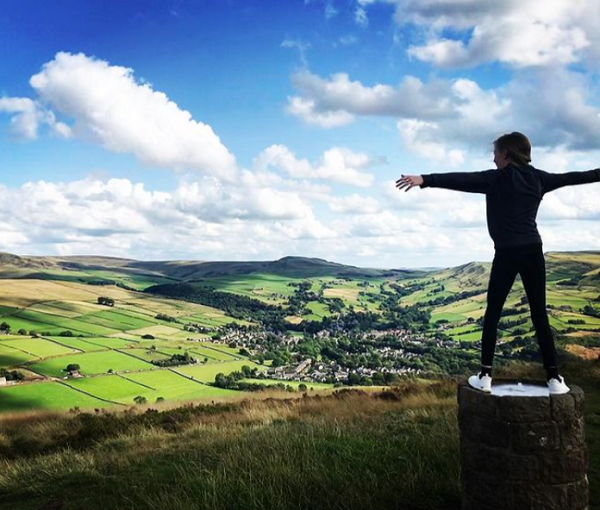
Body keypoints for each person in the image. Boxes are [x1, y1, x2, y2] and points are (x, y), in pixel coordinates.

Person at [395, 132, 600, 394]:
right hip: (533, 251)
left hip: (506, 252)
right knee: (539, 315)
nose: (493, 159)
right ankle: (554, 379)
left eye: (495, 153)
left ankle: (485, 376)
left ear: (505, 153)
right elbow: (577, 176)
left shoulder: (496, 179)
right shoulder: (539, 178)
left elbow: (462, 180)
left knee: (493, 313)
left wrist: (425, 180)